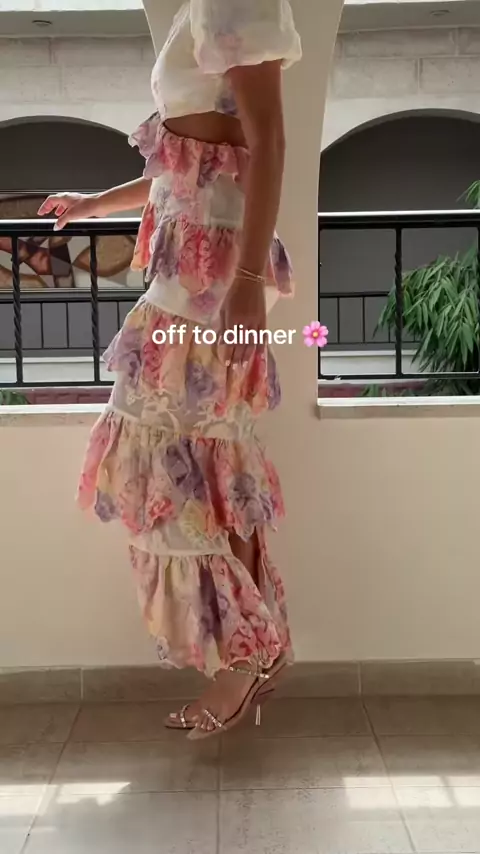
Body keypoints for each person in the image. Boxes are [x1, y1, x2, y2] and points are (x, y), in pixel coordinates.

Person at [39, 0, 302, 740]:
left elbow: (269, 142)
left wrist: (246, 279)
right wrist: (95, 204)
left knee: (188, 455)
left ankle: (246, 659)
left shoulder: (236, 3)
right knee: (211, 457)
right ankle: (260, 648)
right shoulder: (200, 9)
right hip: (190, 260)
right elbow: (183, 161)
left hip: (215, 271)